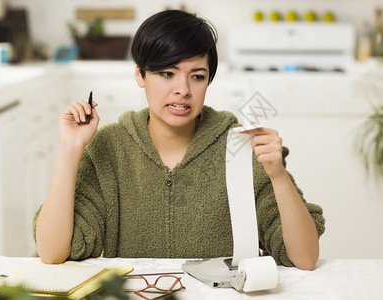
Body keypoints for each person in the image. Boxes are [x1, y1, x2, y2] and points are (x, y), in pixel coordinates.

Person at [33, 10, 325, 270]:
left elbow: (304, 258)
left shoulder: (239, 146)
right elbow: (52, 252)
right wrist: (71, 149)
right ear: (140, 74)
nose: (182, 90)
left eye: (197, 76)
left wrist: (277, 174)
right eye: (166, 73)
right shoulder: (110, 147)